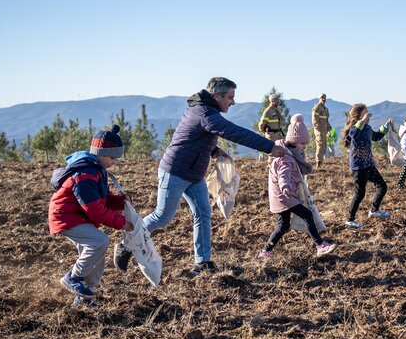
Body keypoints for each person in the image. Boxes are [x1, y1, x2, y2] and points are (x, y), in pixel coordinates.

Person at [116, 78, 286, 277]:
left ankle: (203, 262)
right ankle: (127, 243)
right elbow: (235, 132)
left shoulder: (204, 110)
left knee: (203, 213)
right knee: (162, 216)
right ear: (217, 96)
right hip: (175, 171)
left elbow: (193, 135)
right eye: (230, 97)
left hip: (195, 174)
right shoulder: (205, 113)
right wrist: (269, 147)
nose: (233, 102)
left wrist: (213, 149)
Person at [50, 125, 133, 307]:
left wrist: (120, 202)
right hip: (67, 217)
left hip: (80, 217)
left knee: (97, 256)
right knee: (99, 242)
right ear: (101, 153)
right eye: (112, 158)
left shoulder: (97, 170)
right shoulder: (85, 174)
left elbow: (102, 198)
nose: (114, 162)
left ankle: (85, 299)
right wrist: (121, 222)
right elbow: (94, 209)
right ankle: (73, 277)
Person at [259, 116, 336, 258]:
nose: (305, 146)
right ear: (294, 142)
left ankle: (266, 251)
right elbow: (283, 175)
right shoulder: (286, 158)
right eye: (302, 143)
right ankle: (320, 245)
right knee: (307, 215)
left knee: (283, 225)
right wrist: (285, 187)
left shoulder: (288, 153)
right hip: (284, 195)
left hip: (282, 196)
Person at [343, 103, 391, 228]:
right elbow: (353, 135)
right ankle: (350, 220)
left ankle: (374, 211)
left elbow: (376, 137)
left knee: (382, 186)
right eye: (366, 113)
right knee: (360, 193)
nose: (369, 116)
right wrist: (362, 121)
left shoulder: (367, 128)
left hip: (369, 164)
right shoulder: (355, 129)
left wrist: (385, 127)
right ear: (359, 116)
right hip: (359, 167)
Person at [311, 94, 331, 167]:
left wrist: (328, 130)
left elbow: (327, 120)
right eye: (322, 98)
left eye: (324, 98)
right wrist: (318, 130)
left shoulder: (325, 109)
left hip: (324, 131)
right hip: (319, 130)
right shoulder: (317, 108)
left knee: (324, 146)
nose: (323, 99)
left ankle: (321, 161)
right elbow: (314, 120)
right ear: (319, 98)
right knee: (320, 145)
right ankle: (318, 162)